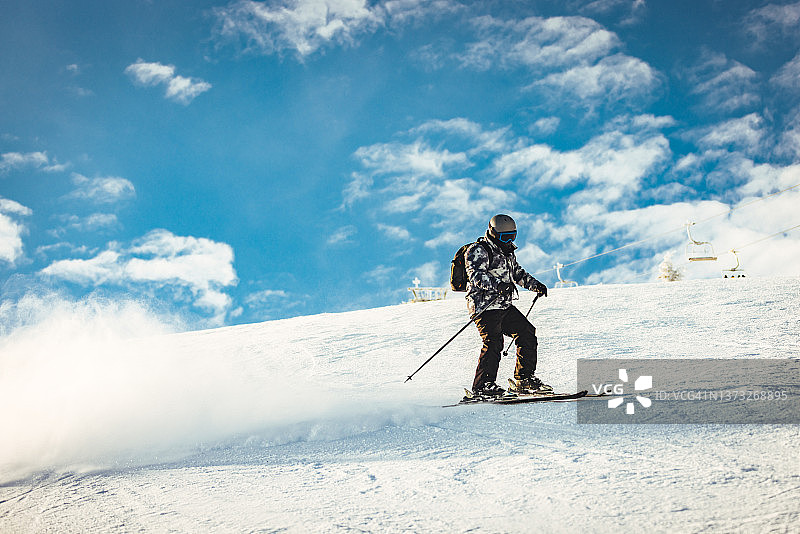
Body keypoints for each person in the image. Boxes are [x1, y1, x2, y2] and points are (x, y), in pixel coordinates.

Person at [464, 214, 551, 397]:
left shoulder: (508, 252)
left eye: (513, 236)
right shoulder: (478, 250)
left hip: (503, 305)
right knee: (493, 341)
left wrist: (535, 285)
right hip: (484, 305)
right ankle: (483, 386)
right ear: (493, 233)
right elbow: (476, 276)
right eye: (505, 237)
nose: (509, 241)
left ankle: (524, 379)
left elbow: (517, 273)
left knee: (526, 332)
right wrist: (498, 285)